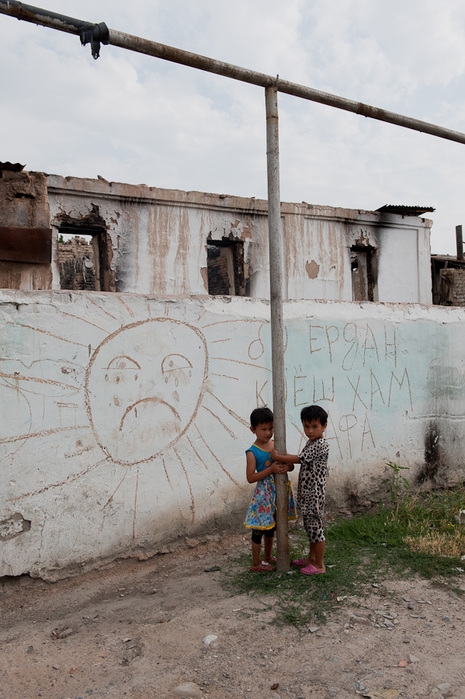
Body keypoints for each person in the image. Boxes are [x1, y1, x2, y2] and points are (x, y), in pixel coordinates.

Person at [271, 404, 329, 575]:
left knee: (316, 528)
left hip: (314, 494)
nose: (310, 431)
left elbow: (300, 459)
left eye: (314, 427)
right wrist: (288, 464)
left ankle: (319, 564)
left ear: (324, 426)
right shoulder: (311, 442)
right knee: (310, 527)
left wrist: (278, 456)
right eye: (307, 426)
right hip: (307, 493)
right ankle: (311, 558)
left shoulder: (321, 444)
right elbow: (303, 462)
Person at [243, 407, 297, 572]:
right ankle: (256, 562)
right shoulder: (252, 452)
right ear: (253, 429)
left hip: (278, 491)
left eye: (271, 428)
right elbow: (251, 477)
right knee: (259, 529)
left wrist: (286, 466)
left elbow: (290, 465)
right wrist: (271, 470)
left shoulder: (276, 445)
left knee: (271, 527)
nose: (268, 433)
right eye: (264, 429)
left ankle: (267, 557)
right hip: (264, 496)